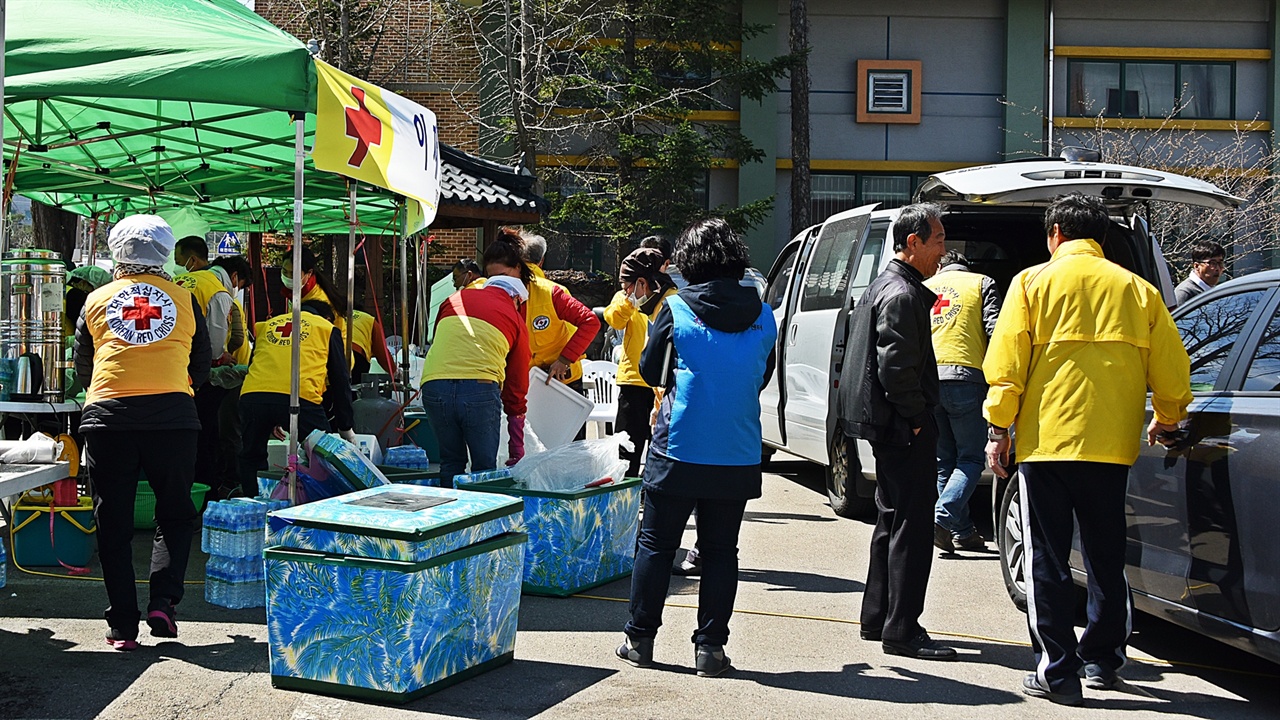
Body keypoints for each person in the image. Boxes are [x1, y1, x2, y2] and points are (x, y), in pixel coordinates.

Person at [983, 193, 1192, 705]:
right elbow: (1173, 372)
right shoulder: (1139, 291)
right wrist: (1166, 420)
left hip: (1045, 445)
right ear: (1099, 238)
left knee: (1047, 560)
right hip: (1111, 447)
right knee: (1105, 555)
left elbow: (1007, 365)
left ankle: (1058, 672)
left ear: (1055, 234)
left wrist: (999, 429)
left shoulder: (1030, 284)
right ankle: (1102, 659)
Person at [615, 218, 776, 678]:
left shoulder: (677, 307)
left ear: (689, 260)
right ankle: (710, 649)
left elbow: (650, 369)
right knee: (722, 551)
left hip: (679, 446)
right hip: (738, 447)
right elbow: (760, 375)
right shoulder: (764, 313)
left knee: (656, 544)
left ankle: (639, 639)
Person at [73, 215, 211, 651]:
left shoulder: (95, 299)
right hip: (172, 416)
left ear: (116, 252)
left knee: (111, 521)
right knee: (174, 513)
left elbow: (82, 365)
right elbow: (201, 365)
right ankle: (163, 603)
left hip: (108, 418)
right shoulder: (185, 299)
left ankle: (122, 626)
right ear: (166, 252)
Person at [836, 202, 955, 660]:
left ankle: (878, 617)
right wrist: (920, 417)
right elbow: (896, 368)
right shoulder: (902, 294)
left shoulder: (885, 286)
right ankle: (902, 628)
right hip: (902, 426)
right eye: (939, 240)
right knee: (911, 524)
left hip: (887, 424)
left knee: (891, 517)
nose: (944, 250)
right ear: (913, 243)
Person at [422, 232, 530, 484]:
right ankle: (479, 523)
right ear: (516, 297)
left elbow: (440, 339)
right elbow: (516, 386)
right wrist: (516, 449)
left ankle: (449, 521)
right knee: (483, 470)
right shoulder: (514, 317)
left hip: (434, 385)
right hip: (479, 389)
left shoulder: (454, 299)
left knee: (450, 463)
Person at [923, 250, 999, 553]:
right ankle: (942, 518)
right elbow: (995, 332)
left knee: (946, 462)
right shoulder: (982, 283)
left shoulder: (925, 285)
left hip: (929, 380)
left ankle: (963, 532)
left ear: (942, 266)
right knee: (970, 459)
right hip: (966, 378)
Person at [238, 300, 355, 497]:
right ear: (326, 317)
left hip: (253, 395)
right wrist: (346, 428)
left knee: (251, 455)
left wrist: (273, 415)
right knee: (322, 454)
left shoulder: (268, 325)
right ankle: (320, 506)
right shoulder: (326, 328)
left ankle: (254, 505)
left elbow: (257, 364)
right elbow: (340, 380)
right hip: (300, 396)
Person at [174, 241, 241, 497]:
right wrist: (219, 360)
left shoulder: (177, 283)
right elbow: (215, 341)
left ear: (192, 259)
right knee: (206, 437)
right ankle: (205, 491)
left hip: (174, 368)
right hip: (201, 376)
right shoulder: (216, 290)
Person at [604, 247, 677, 477]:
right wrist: (629, 301)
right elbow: (613, 319)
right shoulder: (626, 297)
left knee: (661, 444)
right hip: (633, 379)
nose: (625, 290)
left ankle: (650, 490)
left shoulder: (672, 300)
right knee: (627, 445)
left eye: (628, 286)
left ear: (643, 282)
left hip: (663, 384)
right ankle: (624, 494)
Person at [518, 231, 601, 397]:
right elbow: (588, 322)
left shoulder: (506, 289)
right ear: (541, 261)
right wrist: (566, 359)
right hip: (562, 380)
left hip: (531, 381)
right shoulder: (554, 291)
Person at [349, 306, 397, 385]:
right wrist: (394, 371)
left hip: (333, 352)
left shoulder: (337, 315)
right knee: (354, 392)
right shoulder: (369, 319)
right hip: (357, 355)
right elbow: (382, 353)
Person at [1174, 240, 1226, 305]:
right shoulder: (1185, 292)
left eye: (1220, 263)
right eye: (1212, 263)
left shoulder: (1217, 291)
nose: (1217, 268)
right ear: (1196, 266)